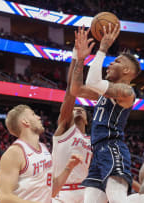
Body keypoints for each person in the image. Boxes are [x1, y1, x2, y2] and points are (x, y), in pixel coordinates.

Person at [71, 25, 141, 203]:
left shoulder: (126, 92)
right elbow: (76, 89)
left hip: (112, 148)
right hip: (98, 152)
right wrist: (79, 59)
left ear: (126, 71)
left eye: (116, 61)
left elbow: (93, 81)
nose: (110, 63)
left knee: (118, 199)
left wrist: (102, 49)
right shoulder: (105, 92)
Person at [0, 104, 83, 203]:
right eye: (33, 114)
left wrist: (69, 168)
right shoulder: (15, 153)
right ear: (25, 122)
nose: (38, 117)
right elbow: (5, 197)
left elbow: (52, 191)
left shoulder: (44, 148)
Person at [51, 43, 92, 203]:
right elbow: (70, 91)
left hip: (87, 193)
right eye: (75, 109)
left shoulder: (92, 141)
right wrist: (78, 58)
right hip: (63, 191)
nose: (78, 109)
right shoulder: (64, 129)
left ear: (87, 120)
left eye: (81, 109)